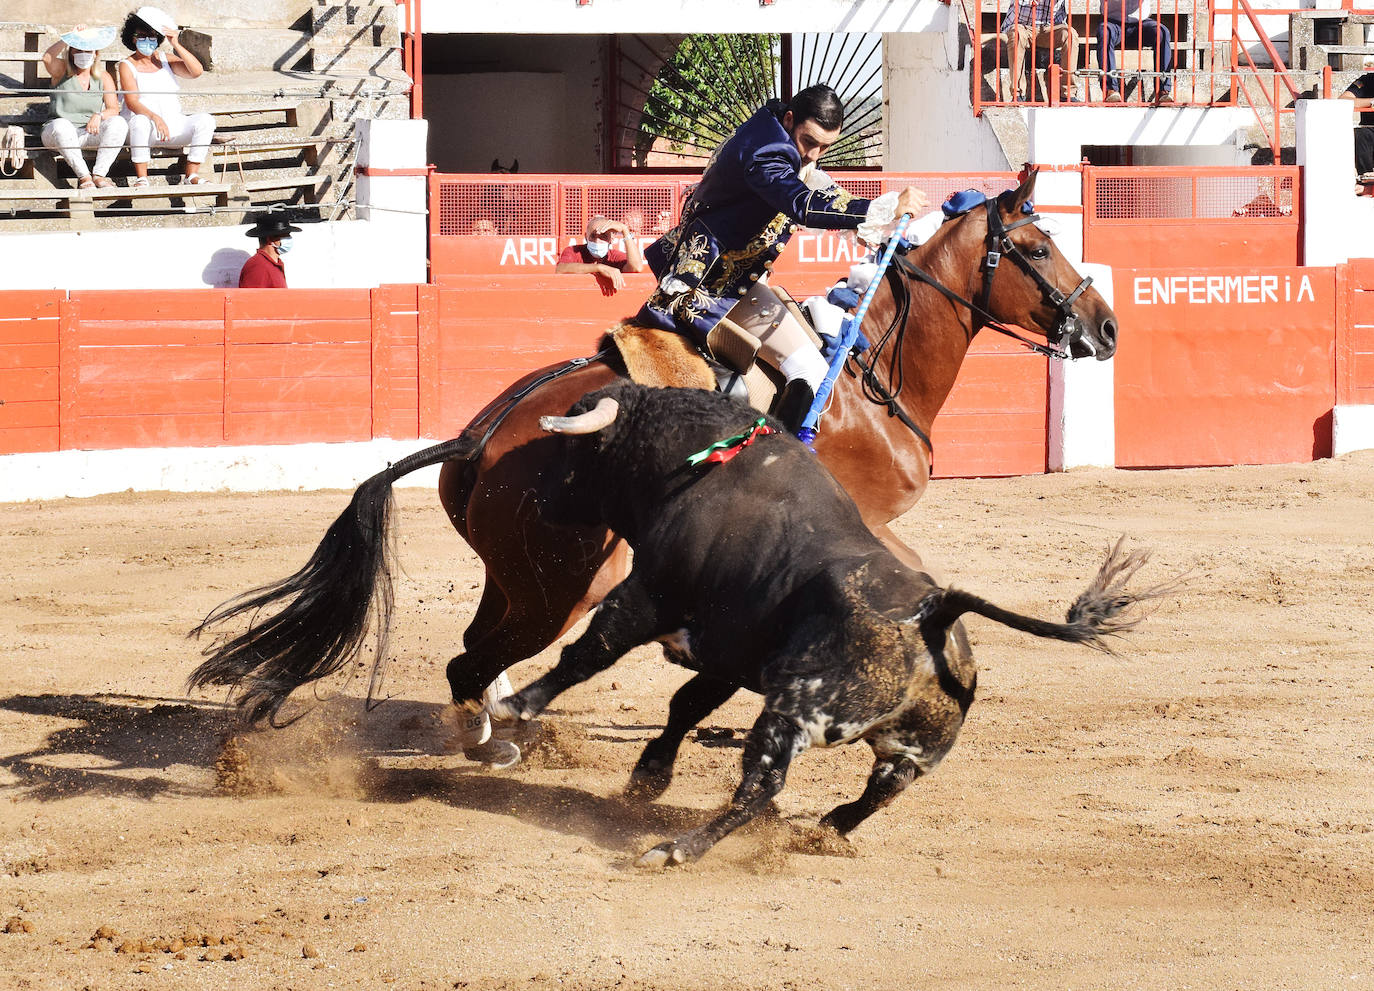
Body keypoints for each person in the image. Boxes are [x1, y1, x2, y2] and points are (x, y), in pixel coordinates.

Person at [636, 83, 926, 432]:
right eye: (810, 142)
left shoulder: (775, 136)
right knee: (809, 370)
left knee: (808, 361)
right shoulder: (765, 151)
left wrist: (883, 223)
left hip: (729, 280)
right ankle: (779, 460)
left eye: (825, 146)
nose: (815, 153)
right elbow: (802, 204)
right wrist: (887, 206)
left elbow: (818, 186)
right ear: (790, 119)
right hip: (707, 286)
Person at [117, 6, 216, 187]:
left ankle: (191, 175)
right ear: (132, 37)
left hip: (172, 126)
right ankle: (142, 178)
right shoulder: (126, 65)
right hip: (145, 129)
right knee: (139, 121)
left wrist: (176, 44)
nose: (147, 40)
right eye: (142, 36)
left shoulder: (165, 59)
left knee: (206, 120)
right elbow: (131, 101)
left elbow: (196, 71)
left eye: (152, 36)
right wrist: (155, 118)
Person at [40, 25, 128, 190]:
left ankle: (99, 175)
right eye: (78, 50)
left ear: (95, 54)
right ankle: (84, 177)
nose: (83, 54)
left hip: (88, 132)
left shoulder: (103, 76)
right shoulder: (61, 72)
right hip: (57, 134)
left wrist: (99, 115)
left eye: (88, 51)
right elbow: (47, 57)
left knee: (119, 123)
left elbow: (113, 109)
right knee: (62, 125)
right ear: (71, 52)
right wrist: (69, 37)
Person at [1095, 0, 1173, 104]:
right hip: (1113, 22)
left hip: (1141, 22)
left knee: (1162, 32)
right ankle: (1110, 90)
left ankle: (1163, 89)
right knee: (1105, 32)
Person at [1001, 0, 1077, 103]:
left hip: (1050, 28)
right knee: (1016, 35)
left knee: (1070, 34)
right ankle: (1018, 93)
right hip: (1024, 26)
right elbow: (1020, 11)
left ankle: (1068, 93)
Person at [555, 215, 646, 296]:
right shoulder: (574, 251)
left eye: (603, 237)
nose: (597, 241)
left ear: (612, 239)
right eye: (593, 236)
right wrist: (599, 268)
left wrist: (625, 230)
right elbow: (560, 269)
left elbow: (637, 267)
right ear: (586, 236)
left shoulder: (614, 256)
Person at [1341, 56, 1374, 196]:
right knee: (1360, 134)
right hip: (1370, 131)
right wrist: (1372, 102)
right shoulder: (1367, 80)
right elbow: (1343, 100)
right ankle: (1367, 183)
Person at [238, 213, 299, 288]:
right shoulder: (258, 266)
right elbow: (251, 298)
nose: (289, 238)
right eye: (285, 235)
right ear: (270, 239)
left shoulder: (275, 263)